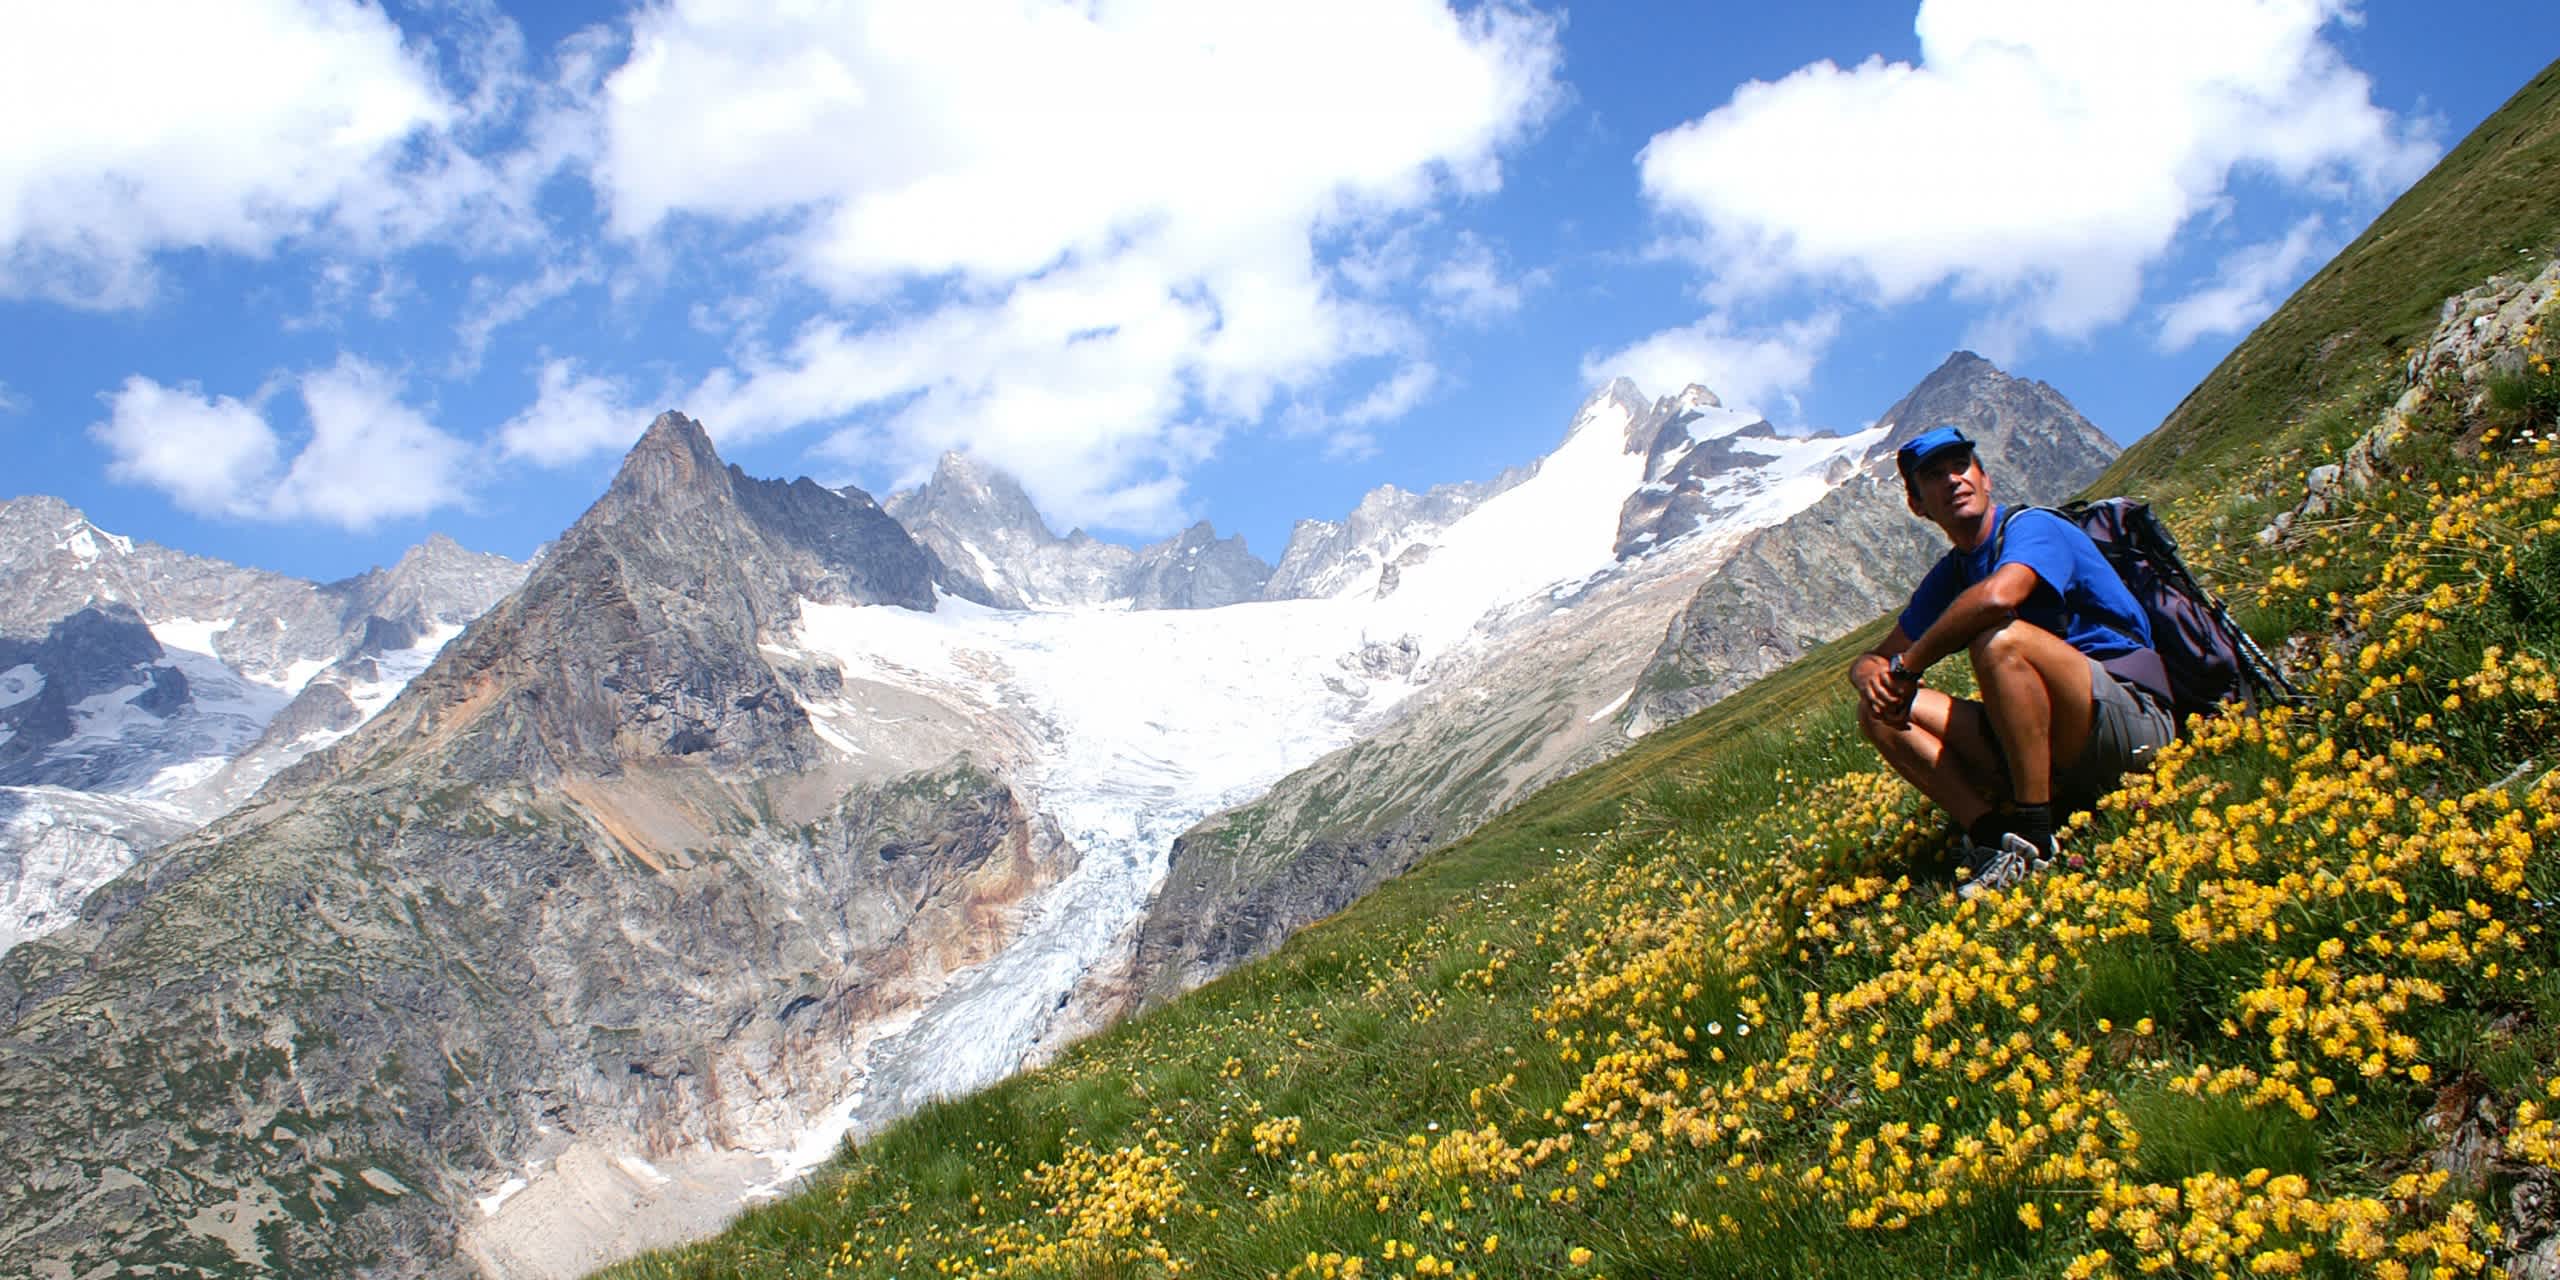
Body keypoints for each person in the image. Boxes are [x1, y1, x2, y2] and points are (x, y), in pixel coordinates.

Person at [1849, 425, 2176, 897]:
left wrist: (1907, 667)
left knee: (1999, 641)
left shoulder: (2032, 528)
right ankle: (1991, 838)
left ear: (1986, 480)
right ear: (1917, 505)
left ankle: (2036, 841)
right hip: (2055, 744)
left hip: (2128, 720)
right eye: (1934, 476)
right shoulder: (1954, 572)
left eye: (1961, 466)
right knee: (1878, 708)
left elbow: (2000, 597)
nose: (1953, 481)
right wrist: (1869, 677)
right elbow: (1874, 658)